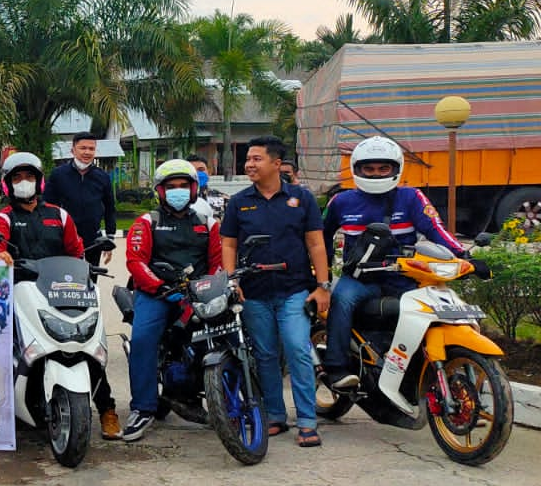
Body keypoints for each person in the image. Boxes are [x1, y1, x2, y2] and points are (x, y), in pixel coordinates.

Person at [0, 153, 121, 438]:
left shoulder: (59, 215)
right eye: (18, 178)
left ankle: (107, 409)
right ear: (8, 184)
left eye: (30, 177)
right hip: (22, 293)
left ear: (39, 181)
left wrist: (84, 266)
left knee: (86, 345)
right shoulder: (3, 218)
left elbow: (76, 251)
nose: (25, 183)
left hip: (61, 291)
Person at [321, 136, 465, 390]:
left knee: (436, 310)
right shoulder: (341, 202)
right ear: (357, 169)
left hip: (404, 277)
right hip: (359, 279)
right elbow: (319, 239)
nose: (376, 175)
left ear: (395, 169)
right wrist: (318, 275)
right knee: (341, 300)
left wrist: (462, 255)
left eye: (383, 169)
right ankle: (336, 368)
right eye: (370, 169)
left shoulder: (411, 197)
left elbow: (435, 229)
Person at [220, 136, 332, 449]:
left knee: (297, 349)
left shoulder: (301, 199)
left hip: (294, 289)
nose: (249, 164)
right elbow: (228, 243)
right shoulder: (239, 201)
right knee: (266, 355)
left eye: (256, 158)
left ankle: (308, 422)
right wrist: (232, 281)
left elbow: (315, 243)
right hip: (253, 292)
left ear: (277, 164)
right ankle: (275, 416)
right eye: (248, 159)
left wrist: (323, 286)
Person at [119, 160, 222, 441]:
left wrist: (210, 287)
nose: (177, 191)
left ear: (193, 189)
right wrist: (160, 286)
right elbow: (136, 261)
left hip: (197, 294)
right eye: (171, 187)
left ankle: (205, 397)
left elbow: (216, 263)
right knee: (142, 340)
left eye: (183, 186)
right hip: (157, 294)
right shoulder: (147, 222)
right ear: (161, 191)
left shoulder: (208, 224)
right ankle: (142, 407)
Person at [44, 132, 117, 268]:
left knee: (91, 280)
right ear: (73, 150)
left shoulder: (103, 177)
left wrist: (110, 238)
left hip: (93, 238)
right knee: (66, 279)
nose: (87, 152)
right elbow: (47, 206)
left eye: (91, 149)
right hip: (65, 237)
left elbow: (110, 208)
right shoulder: (58, 175)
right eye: (83, 148)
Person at [188, 156, 226, 224]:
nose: (196, 174)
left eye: (201, 170)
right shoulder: (178, 199)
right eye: (191, 170)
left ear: (209, 172)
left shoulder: (223, 199)